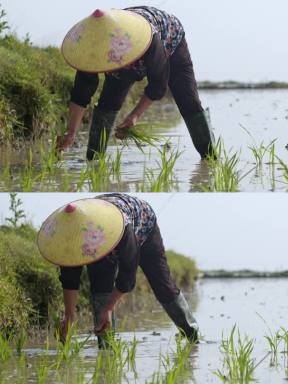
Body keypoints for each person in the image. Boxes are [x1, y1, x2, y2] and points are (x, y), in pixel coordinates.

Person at [37, 193, 199, 348]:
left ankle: (192, 334)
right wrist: (69, 316)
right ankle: (107, 350)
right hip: (101, 229)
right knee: (100, 289)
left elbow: (127, 276)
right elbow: (69, 278)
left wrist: (109, 308)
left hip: (141, 224)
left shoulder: (125, 232)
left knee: (162, 284)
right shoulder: (69, 240)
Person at [58, 6, 214, 160]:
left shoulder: (151, 42)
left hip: (169, 41)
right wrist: (71, 132)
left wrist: (134, 116)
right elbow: (81, 93)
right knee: (108, 102)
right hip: (126, 48)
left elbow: (158, 85)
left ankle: (210, 157)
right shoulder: (92, 50)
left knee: (188, 100)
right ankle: (94, 160)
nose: (121, 68)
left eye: (121, 63)